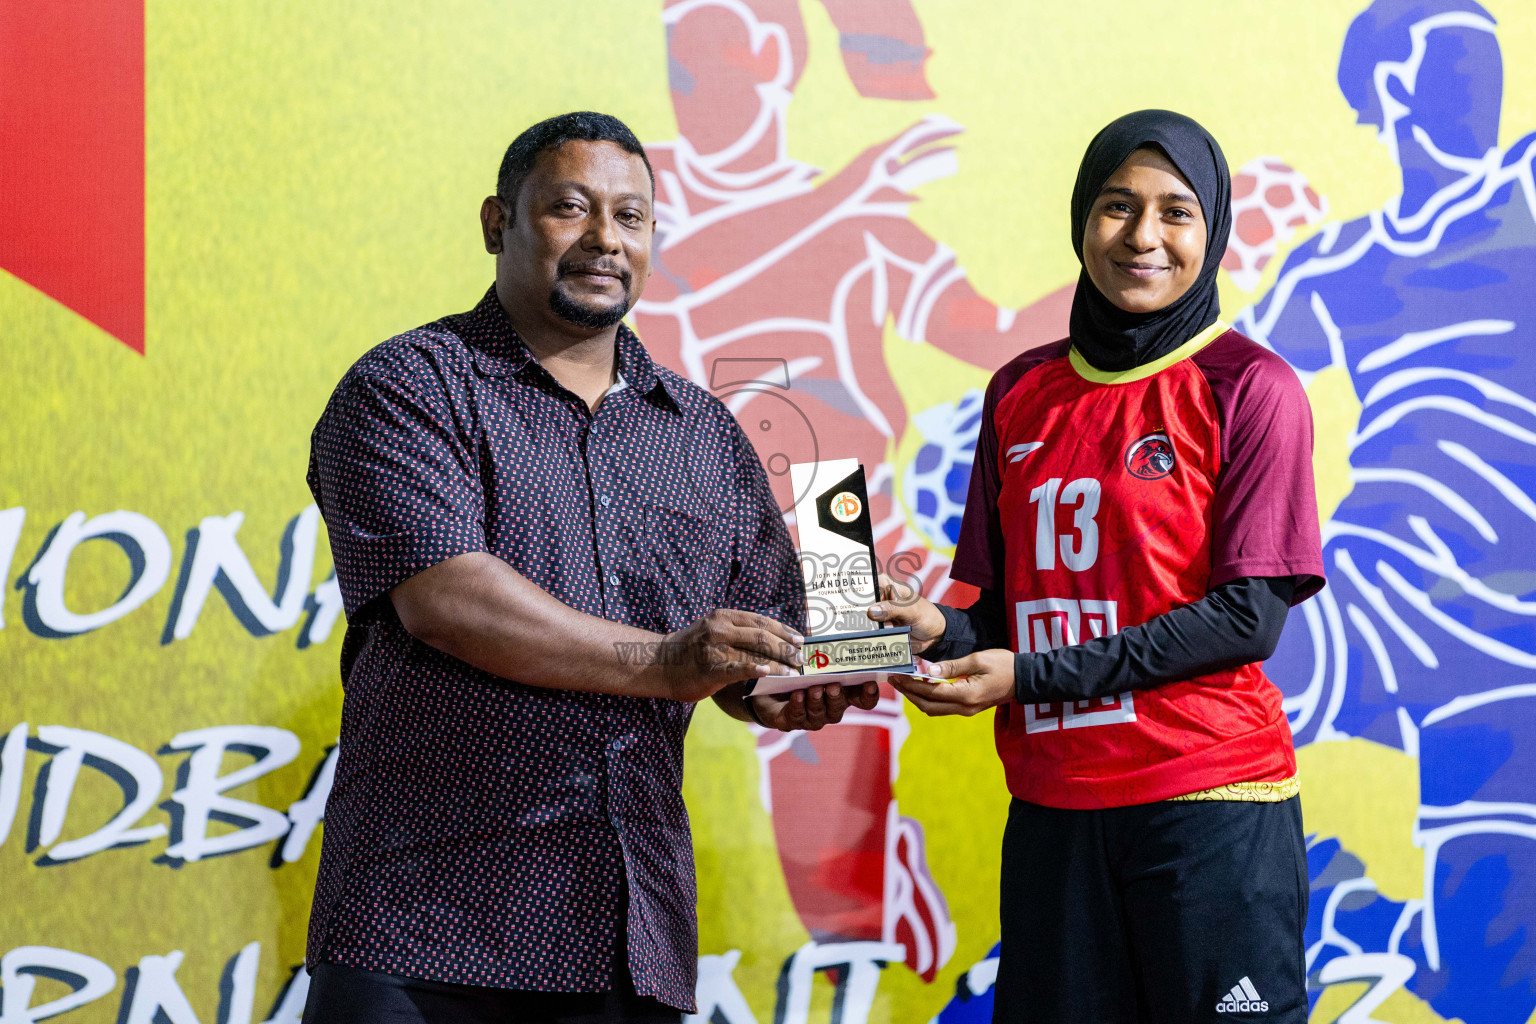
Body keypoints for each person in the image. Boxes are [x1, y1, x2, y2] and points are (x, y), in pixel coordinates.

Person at [301, 111, 878, 1024]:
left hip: (623, 928)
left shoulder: (703, 434)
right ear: (500, 223)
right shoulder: (408, 385)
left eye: (633, 217)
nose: (605, 240)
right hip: (422, 923)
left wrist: (833, 662)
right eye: (571, 209)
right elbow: (447, 599)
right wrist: (667, 663)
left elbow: (754, 649)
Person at [870, 110, 1326, 1022]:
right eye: (1117, 206)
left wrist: (1028, 677)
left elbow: (1248, 619)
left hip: (1205, 801)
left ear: (1215, 230)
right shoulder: (1021, 391)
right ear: (1082, 220)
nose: (1143, 236)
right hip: (1054, 805)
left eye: (1175, 211)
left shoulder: (1251, 386)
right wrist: (937, 628)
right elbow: (1005, 609)